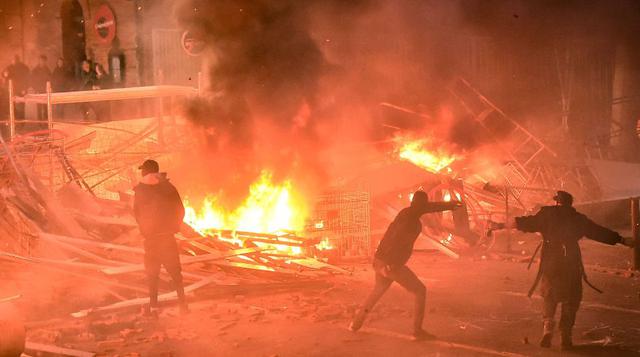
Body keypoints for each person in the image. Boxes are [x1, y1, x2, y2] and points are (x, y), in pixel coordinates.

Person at [490, 191, 633, 350]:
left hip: (551, 260)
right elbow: (598, 232)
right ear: (570, 204)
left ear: (557, 202)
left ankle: (548, 327)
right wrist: (622, 240)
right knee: (571, 298)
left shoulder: (546, 214)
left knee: (549, 295)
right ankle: (566, 335)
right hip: (570, 260)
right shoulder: (578, 218)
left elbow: (524, 222)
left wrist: (499, 225)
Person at [349, 191, 461, 340]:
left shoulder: (407, 212)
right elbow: (395, 240)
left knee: (377, 292)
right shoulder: (411, 222)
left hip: (381, 260)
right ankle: (417, 331)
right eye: (424, 205)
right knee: (420, 290)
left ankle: (355, 324)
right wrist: (391, 264)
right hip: (391, 263)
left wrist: (450, 205)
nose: (426, 208)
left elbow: (428, 207)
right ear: (421, 205)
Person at [133, 159, 189, 315]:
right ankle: (183, 306)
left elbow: (136, 213)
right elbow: (180, 210)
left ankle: (154, 307)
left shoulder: (140, 191)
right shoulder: (169, 188)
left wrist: (145, 230)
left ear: (145, 172)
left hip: (151, 240)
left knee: (152, 274)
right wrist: (173, 227)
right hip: (167, 238)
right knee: (176, 274)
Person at [4, 55, 29, 119]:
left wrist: (25, 88)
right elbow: (4, 74)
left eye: (15, 60)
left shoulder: (23, 68)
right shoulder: (9, 68)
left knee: (21, 106)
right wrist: (5, 74)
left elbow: (27, 79)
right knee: (13, 106)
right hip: (12, 90)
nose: (14, 61)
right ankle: (15, 120)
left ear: (18, 60)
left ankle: (21, 121)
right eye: (13, 60)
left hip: (21, 90)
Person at [30, 55, 52, 122]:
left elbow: (50, 79)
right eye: (40, 60)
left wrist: (49, 88)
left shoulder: (47, 70)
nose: (42, 62)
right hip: (38, 90)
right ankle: (40, 121)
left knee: (46, 106)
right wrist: (35, 89)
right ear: (39, 61)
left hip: (45, 90)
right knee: (39, 106)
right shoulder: (35, 70)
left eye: (43, 61)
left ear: (45, 61)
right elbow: (32, 80)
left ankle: (46, 121)